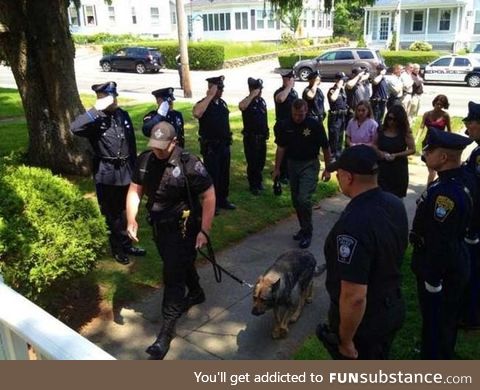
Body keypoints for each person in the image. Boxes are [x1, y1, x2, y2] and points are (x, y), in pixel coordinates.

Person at [126, 121, 215, 360]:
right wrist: (131, 219)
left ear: (174, 142)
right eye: (154, 146)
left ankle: (165, 332)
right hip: (159, 227)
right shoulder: (146, 159)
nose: (157, 151)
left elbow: (208, 195)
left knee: (172, 276)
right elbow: (135, 189)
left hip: (183, 228)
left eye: (162, 147)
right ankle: (196, 292)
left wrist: (204, 230)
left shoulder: (189, 163)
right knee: (177, 262)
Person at [321, 145, 408, 359]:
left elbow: (355, 297)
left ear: (348, 177)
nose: (337, 178)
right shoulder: (394, 203)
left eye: (338, 174)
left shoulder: (353, 224)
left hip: (365, 322)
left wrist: (347, 340)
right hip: (391, 304)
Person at [410, 128, 476, 359]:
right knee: (447, 317)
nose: (426, 153)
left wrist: (432, 280)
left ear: (444, 158)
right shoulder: (461, 178)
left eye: (430, 150)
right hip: (457, 260)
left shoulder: (444, 196)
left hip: (442, 268)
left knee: (436, 319)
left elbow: (441, 242)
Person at [70, 81, 145, 265]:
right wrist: (95, 110)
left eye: (115, 96)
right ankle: (118, 249)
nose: (115, 100)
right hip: (107, 172)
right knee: (112, 214)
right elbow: (75, 128)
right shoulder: (95, 120)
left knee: (127, 210)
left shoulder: (122, 115)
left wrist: (135, 169)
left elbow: (131, 143)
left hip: (126, 170)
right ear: (102, 98)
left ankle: (127, 244)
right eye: (110, 97)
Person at [273, 99, 331, 249]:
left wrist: (328, 168)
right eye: (295, 114)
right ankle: (303, 227)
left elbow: (325, 147)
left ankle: (307, 232)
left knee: (304, 198)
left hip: (309, 164)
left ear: (306, 111)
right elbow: (281, 148)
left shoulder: (314, 125)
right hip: (293, 164)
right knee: (296, 200)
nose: (298, 117)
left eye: (301, 114)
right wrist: (277, 168)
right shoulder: (286, 125)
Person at [193, 75, 236, 212]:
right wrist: (209, 96)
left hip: (224, 145)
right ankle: (212, 203)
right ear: (211, 88)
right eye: (218, 88)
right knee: (213, 175)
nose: (221, 91)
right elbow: (197, 113)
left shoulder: (222, 103)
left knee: (224, 175)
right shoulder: (204, 103)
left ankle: (223, 199)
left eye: (222, 88)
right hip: (211, 147)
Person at [461, 101, 480, 329]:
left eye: (470, 123)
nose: (467, 127)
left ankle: (471, 315)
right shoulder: (476, 150)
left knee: (474, 268)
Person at [374, 105, 416, 198]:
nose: (391, 122)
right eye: (389, 119)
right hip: (382, 168)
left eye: (394, 120)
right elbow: (374, 145)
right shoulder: (381, 129)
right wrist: (380, 153)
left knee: (396, 199)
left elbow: (412, 149)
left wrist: (396, 155)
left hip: (398, 169)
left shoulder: (405, 131)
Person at [238, 77, 269, 195]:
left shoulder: (261, 101)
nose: (260, 92)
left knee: (261, 161)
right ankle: (253, 185)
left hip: (261, 136)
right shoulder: (247, 101)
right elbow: (241, 106)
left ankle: (259, 182)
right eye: (258, 89)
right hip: (251, 137)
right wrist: (252, 95)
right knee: (253, 162)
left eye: (260, 90)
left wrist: (266, 131)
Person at [420, 94, 452, 184]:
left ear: (444, 106)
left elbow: (449, 131)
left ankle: (429, 188)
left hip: (439, 144)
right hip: (427, 142)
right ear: (434, 103)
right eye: (437, 104)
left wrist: (449, 143)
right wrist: (416, 138)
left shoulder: (445, 116)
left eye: (441, 105)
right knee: (430, 167)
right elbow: (421, 127)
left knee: (434, 169)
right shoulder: (427, 114)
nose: (438, 106)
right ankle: (431, 187)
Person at [274, 70, 298, 184]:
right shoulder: (280, 92)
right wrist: (288, 87)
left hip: (293, 125)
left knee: (291, 150)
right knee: (282, 150)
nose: (292, 81)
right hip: (282, 125)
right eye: (290, 79)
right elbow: (280, 99)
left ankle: (289, 172)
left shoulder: (294, 93)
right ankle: (282, 173)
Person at [327, 72, 349, 161]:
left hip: (342, 116)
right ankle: (332, 155)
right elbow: (333, 98)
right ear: (336, 80)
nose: (343, 82)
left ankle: (338, 154)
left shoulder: (342, 90)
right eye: (341, 80)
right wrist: (338, 87)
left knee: (340, 136)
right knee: (334, 137)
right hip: (335, 117)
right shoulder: (332, 90)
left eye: (344, 80)